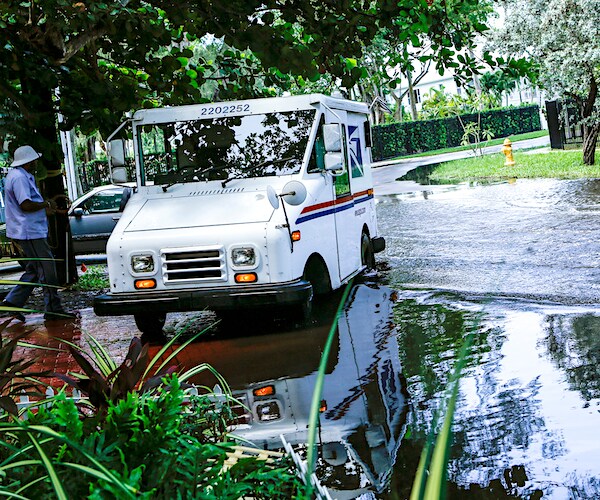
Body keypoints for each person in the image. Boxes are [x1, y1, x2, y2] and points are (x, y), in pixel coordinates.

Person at [1, 145, 76, 322]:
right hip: (29, 232)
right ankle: (53, 308)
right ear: (28, 161)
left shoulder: (17, 176)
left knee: (34, 269)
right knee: (47, 269)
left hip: (28, 230)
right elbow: (25, 205)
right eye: (34, 159)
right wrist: (46, 205)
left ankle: (13, 302)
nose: (36, 162)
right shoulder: (19, 178)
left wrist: (44, 208)